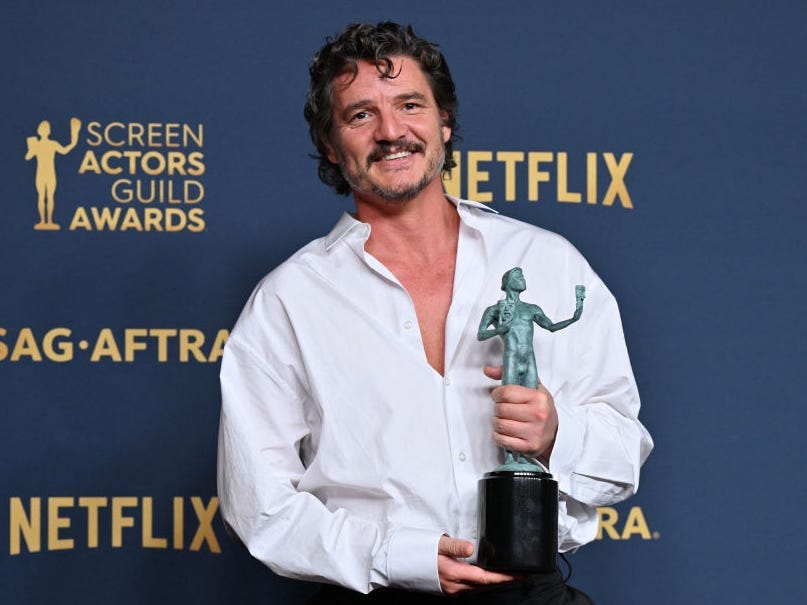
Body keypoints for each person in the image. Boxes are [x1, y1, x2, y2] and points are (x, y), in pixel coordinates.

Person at [218, 21, 653, 604]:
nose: (392, 131)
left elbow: (624, 457)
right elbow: (260, 506)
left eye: (410, 105)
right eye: (360, 115)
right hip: (375, 593)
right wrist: (401, 557)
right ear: (330, 143)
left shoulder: (548, 262)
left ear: (444, 121)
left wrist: (557, 433)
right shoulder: (289, 301)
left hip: (533, 591)